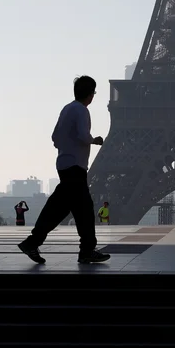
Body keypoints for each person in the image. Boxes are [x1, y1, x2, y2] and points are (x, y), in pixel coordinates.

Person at [18, 75, 110, 264]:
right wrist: (95, 140)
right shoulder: (82, 111)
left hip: (64, 165)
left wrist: (66, 147)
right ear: (91, 94)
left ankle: (33, 242)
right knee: (82, 210)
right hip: (76, 166)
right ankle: (86, 250)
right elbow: (84, 136)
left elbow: (54, 137)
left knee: (59, 209)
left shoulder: (67, 109)